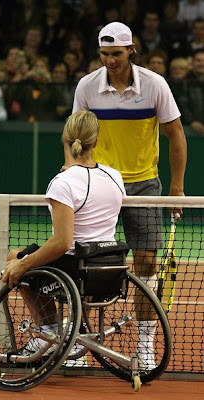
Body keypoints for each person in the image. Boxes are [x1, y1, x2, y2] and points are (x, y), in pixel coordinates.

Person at [66, 21, 187, 368]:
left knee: (147, 264)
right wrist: (74, 171)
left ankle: (145, 345)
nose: (110, 61)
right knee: (86, 263)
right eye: (104, 54)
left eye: (116, 54)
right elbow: (73, 134)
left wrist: (176, 188)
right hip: (100, 182)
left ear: (131, 49)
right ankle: (78, 341)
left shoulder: (155, 85)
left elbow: (176, 135)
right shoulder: (87, 86)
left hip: (144, 184)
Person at [3, 110, 126, 364]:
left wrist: (21, 264)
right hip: (110, 269)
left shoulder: (64, 183)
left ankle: (49, 332)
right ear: (96, 142)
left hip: (76, 273)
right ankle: (71, 334)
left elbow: (62, 243)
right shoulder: (115, 176)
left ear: (65, 140)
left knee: (15, 256)